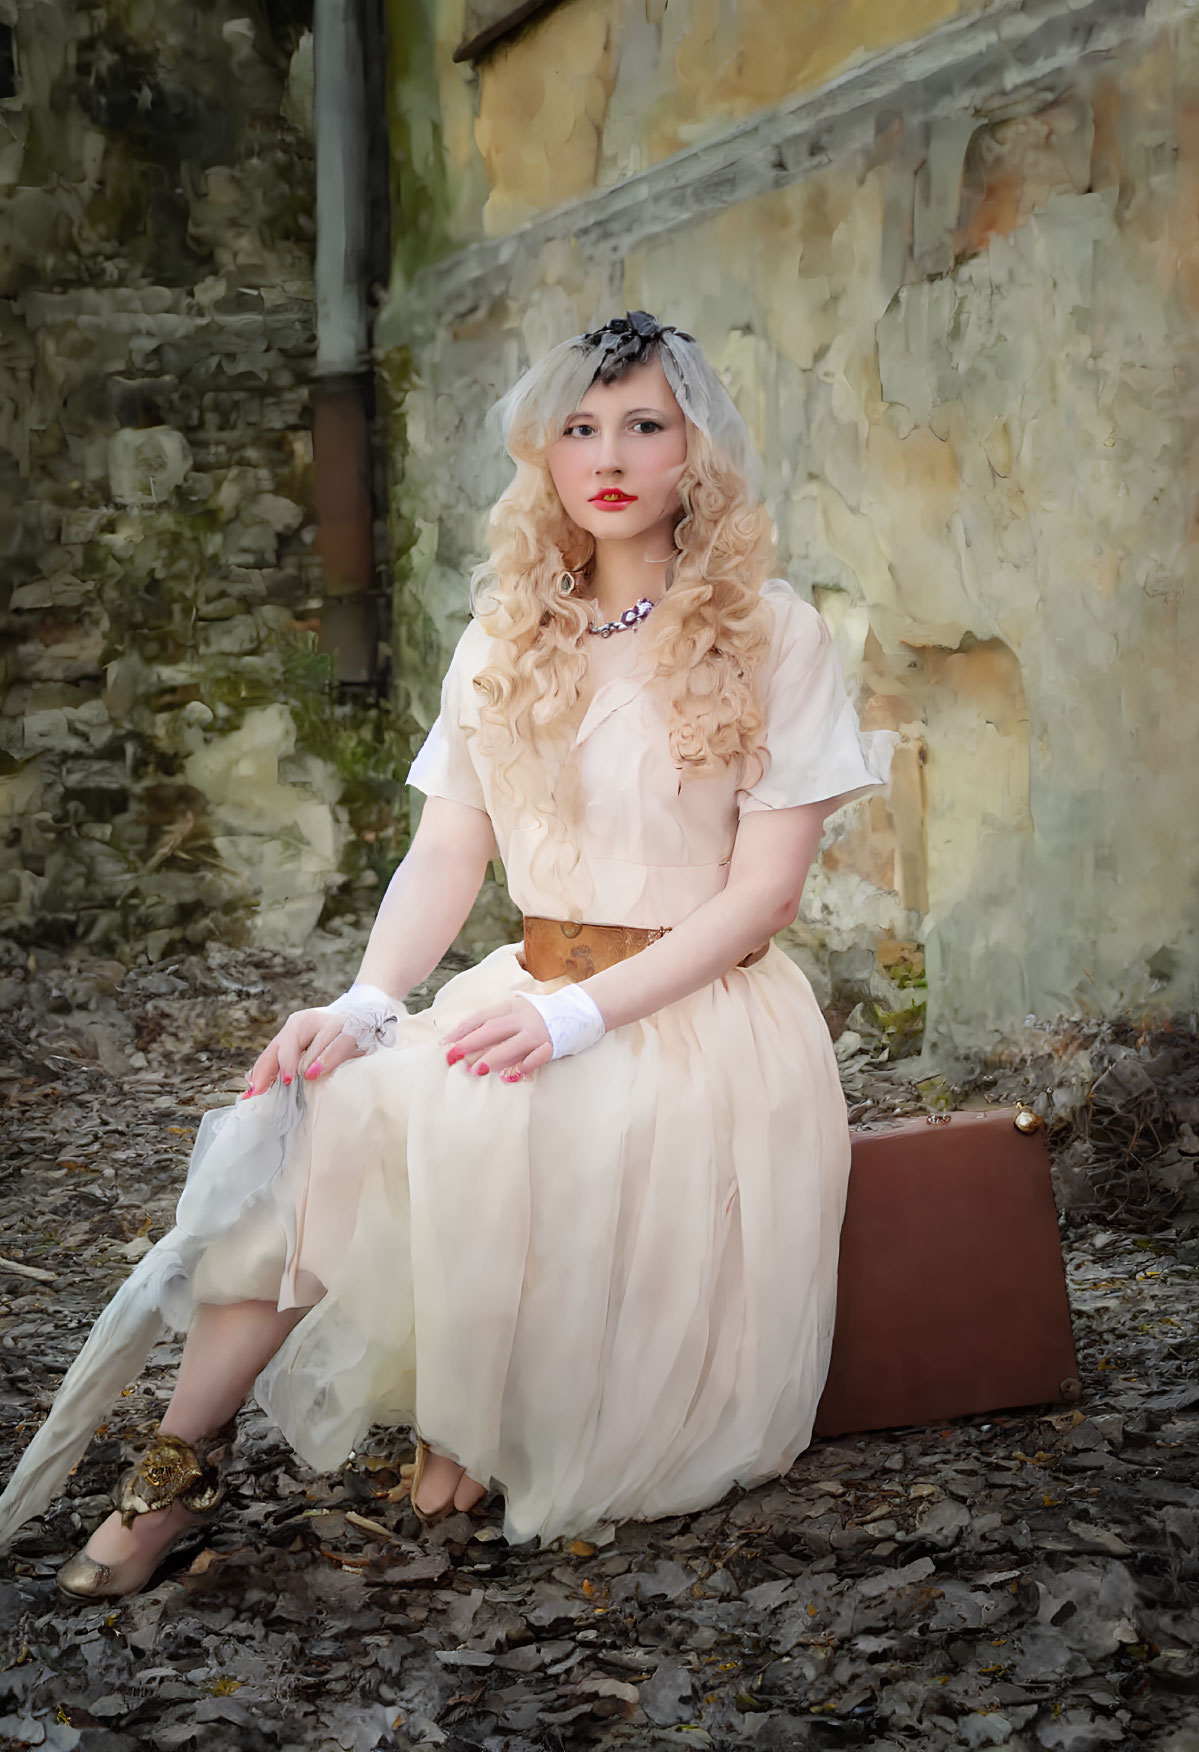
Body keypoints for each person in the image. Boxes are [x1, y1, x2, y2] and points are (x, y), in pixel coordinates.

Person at [0, 311, 892, 1600]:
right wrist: (366, 1001)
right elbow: (446, 854)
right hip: (528, 984)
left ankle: (469, 1429)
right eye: (582, 428)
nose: (612, 455)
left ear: (695, 444)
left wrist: (581, 1019)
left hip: (695, 1017)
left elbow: (761, 899)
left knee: (503, 1118)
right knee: (329, 1115)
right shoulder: (508, 633)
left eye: (645, 423)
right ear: (545, 450)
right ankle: (168, 1480)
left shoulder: (773, 634)